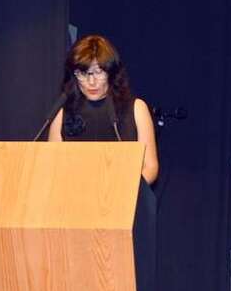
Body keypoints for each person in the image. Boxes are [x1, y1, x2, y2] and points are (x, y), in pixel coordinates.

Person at [48, 35, 159, 185]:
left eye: (99, 72)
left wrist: (124, 190)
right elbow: (51, 166)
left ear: (111, 72)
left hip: (124, 194)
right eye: (83, 73)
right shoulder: (63, 112)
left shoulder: (136, 108)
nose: (91, 81)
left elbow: (150, 167)